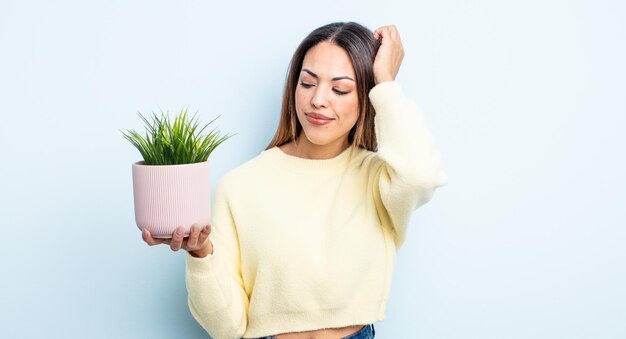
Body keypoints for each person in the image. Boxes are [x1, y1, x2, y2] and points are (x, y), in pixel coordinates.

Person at [142, 21, 448, 339]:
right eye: (307, 83)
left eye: (340, 89)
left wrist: (386, 82)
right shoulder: (239, 187)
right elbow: (228, 328)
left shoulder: (379, 179)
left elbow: (421, 175)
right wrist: (201, 253)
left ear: (367, 97)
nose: (318, 100)